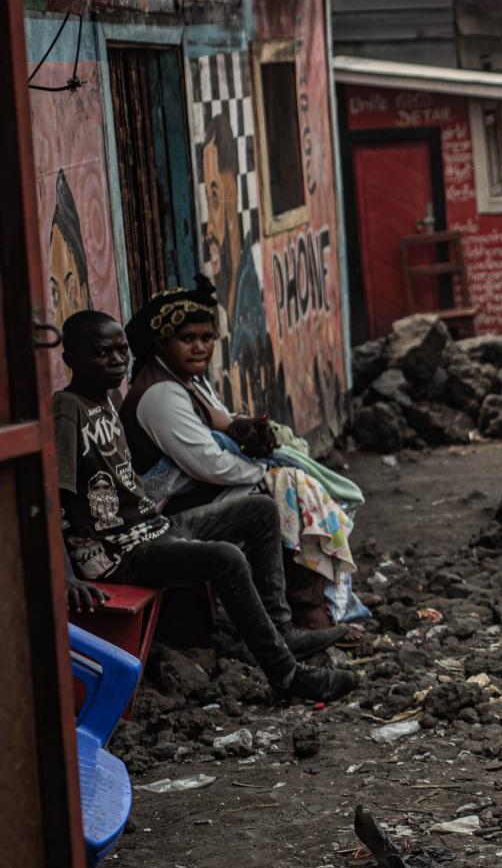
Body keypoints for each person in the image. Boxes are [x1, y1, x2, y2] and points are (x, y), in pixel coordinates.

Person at [55, 311, 357, 702]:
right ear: (71, 359)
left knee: (261, 511)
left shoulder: (109, 399)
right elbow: (49, 498)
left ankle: (282, 632)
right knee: (226, 558)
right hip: (119, 553)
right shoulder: (67, 410)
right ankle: (287, 676)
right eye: (102, 353)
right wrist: (65, 575)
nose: (116, 361)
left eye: (121, 352)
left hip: (154, 528)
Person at [120, 283, 365, 631]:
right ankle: (304, 611)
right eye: (187, 338)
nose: (200, 347)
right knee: (285, 492)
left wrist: (249, 430)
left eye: (206, 337)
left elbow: (223, 420)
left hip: (192, 493)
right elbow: (210, 464)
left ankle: (316, 600)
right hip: (164, 512)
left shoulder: (189, 381)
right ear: (162, 342)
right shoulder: (161, 394)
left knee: (288, 485)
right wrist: (261, 471)